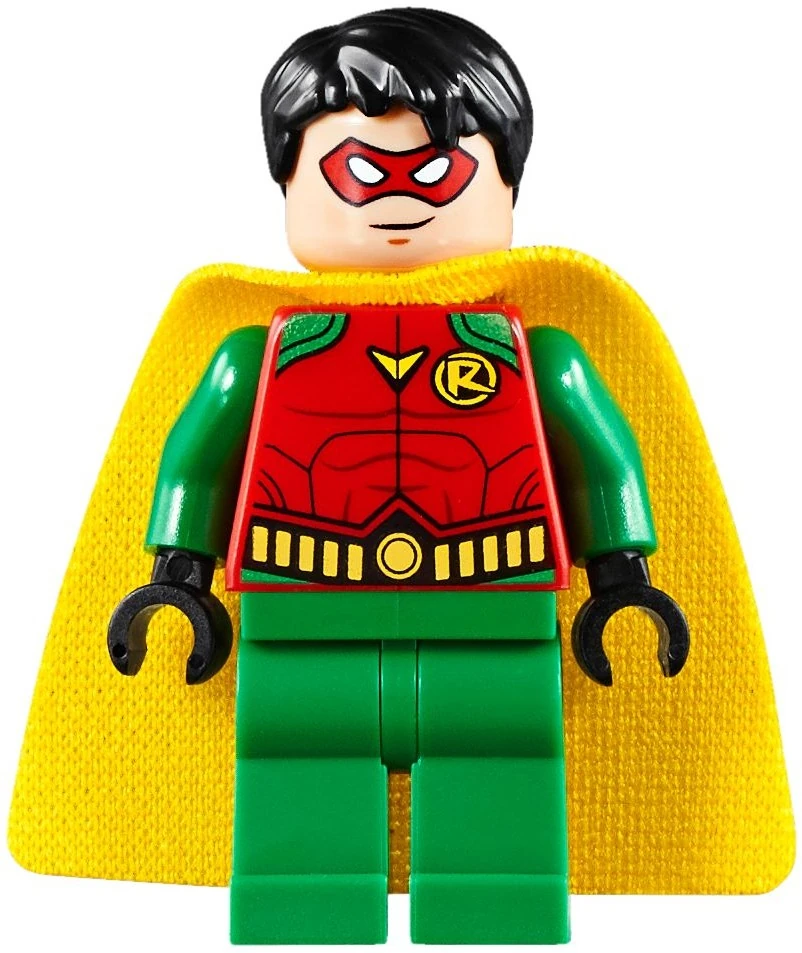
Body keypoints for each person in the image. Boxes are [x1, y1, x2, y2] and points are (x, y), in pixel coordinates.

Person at [107, 8, 688, 944]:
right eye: (358, 171)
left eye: (440, 171)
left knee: (502, 756)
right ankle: (304, 906)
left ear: (507, 184)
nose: (398, 197)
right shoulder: (260, 353)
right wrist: (179, 574)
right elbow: (199, 455)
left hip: (494, 594)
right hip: (302, 592)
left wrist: (622, 575)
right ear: (289, 180)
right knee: (296, 754)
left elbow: (600, 456)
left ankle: (496, 907)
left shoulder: (534, 352)